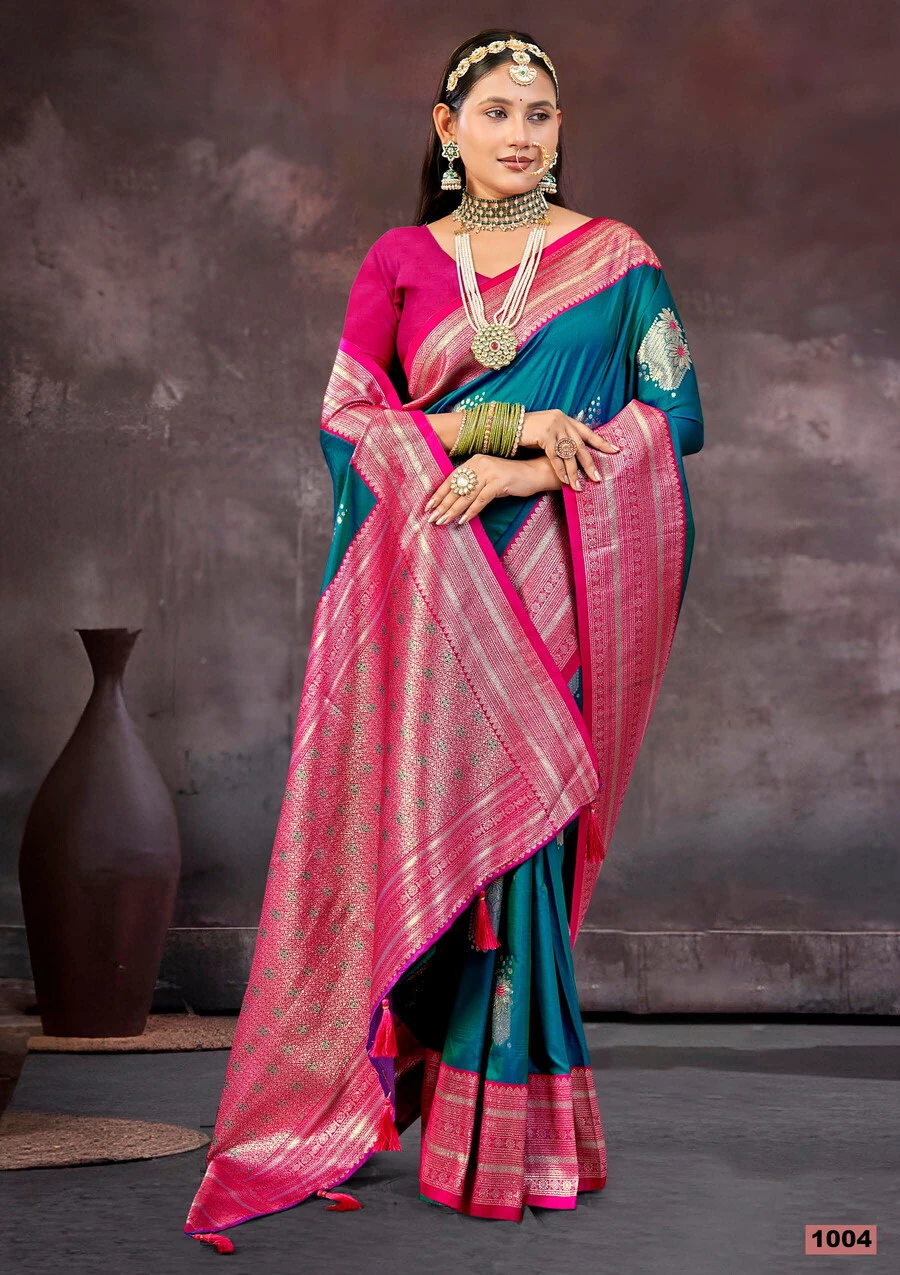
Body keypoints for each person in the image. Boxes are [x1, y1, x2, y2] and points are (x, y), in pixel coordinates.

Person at [186, 28, 703, 1247]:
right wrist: (482, 434)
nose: (522, 133)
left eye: (541, 113)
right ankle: (478, 1123)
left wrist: (527, 465)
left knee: (524, 834)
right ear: (446, 127)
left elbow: (672, 414)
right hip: (436, 585)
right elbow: (348, 419)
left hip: (559, 571)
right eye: (498, 111)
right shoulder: (401, 259)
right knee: (453, 819)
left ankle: (508, 1142)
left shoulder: (618, 260)